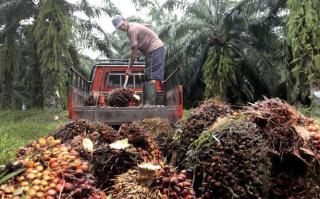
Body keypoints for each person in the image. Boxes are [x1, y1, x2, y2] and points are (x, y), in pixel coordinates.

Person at [112, 15, 165, 106]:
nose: (121, 28)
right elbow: (147, 25)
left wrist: (129, 68)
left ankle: (150, 104)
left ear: (125, 20)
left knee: (152, 77)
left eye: (122, 24)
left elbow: (134, 52)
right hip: (150, 52)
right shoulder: (133, 26)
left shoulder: (131, 30)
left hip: (155, 49)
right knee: (147, 77)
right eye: (119, 27)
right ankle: (144, 103)